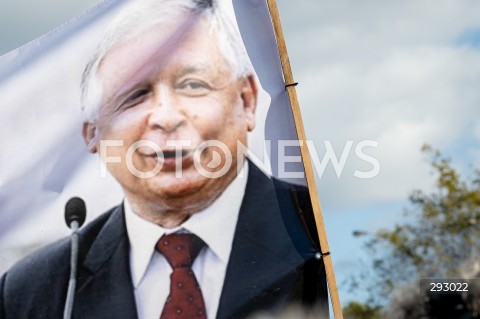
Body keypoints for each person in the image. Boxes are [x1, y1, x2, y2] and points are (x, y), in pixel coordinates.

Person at [0, 0, 328, 318]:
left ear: (246, 100)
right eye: (135, 95)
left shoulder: (315, 229)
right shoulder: (32, 289)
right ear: (93, 135)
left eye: (193, 85)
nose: (166, 117)